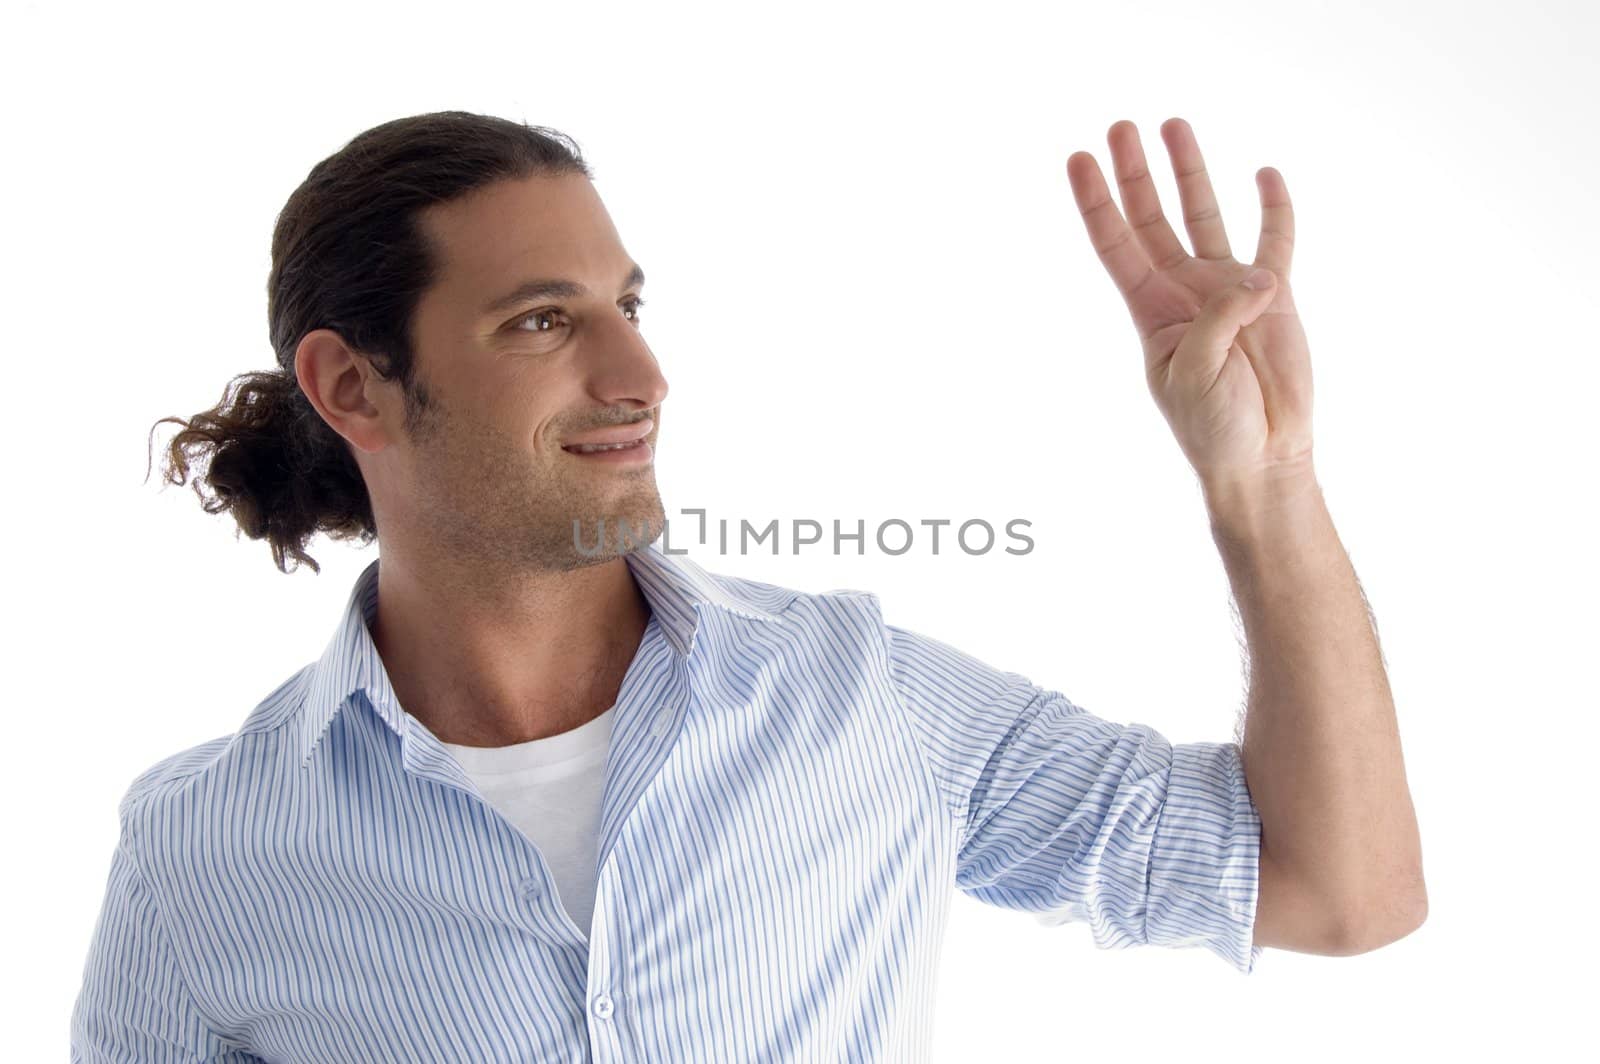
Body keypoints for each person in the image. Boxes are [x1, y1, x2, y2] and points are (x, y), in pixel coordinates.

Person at [71, 110, 1425, 1061]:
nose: (638, 377)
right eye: (544, 320)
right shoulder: (203, 852)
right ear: (351, 385)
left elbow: (1335, 891)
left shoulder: (860, 695)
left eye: (629, 307)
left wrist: (1267, 482)